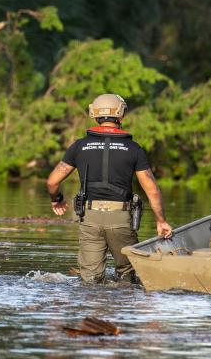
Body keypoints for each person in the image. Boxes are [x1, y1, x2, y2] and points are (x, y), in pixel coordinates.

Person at [46, 93, 173, 284]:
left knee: (90, 281)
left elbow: (52, 182)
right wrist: (161, 220)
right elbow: (152, 189)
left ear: (94, 115)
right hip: (121, 219)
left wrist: (57, 199)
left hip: (89, 219)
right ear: (121, 116)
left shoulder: (79, 146)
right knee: (127, 277)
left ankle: (93, 310)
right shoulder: (134, 149)